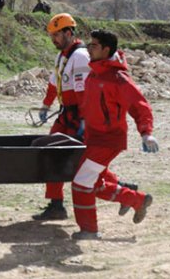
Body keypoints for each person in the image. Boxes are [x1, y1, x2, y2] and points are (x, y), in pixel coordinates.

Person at [70, 29, 159, 240]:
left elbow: (140, 105)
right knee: (94, 183)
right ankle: (136, 199)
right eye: (89, 44)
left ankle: (89, 230)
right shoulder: (95, 72)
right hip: (93, 138)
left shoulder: (118, 78)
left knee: (82, 183)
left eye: (93, 45)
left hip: (108, 140)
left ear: (106, 49)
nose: (88, 48)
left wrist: (146, 133)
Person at [33, 13, 91, 221]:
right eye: (51, 36)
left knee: (84, 165)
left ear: (69, 32)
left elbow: (83, 91)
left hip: (77, 117)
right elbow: (53, 83)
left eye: (56, 35)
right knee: (50, 153)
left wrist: (84, 120)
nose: (53, 40)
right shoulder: (62, 56)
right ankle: (56, 204)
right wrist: (45, 105)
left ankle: (125, 192)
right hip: (66, 114)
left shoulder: (80, 57)